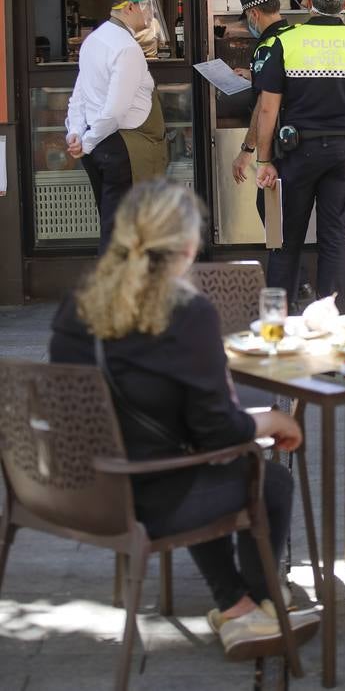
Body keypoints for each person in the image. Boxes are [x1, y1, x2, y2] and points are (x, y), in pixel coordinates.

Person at [49, 179, 319, 659]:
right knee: (269, 482)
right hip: (143, 496)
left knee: (200, 464)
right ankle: (260, 605)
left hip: (74, 488)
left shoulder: (76, 306)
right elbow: (219, 430)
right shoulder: (186, 312)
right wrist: (271, 423)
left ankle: (234, 605)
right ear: (190, 246)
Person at [254, 0, 345, 313]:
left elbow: (268, 110)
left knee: (286, 242)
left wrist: (264, 160)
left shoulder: (288, 40)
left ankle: (279, 325)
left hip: (297, 152)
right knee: (333, 240)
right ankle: (332, 324)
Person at [65, 0, 168, 252]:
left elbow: (79, 95)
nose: (151, 12)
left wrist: (76, 133)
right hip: (122, 147)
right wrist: (85, 141)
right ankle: (114, 293)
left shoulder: (93, 40)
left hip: (99, 147)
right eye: (147, 5)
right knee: (122, 235)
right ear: (129, 7)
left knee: (113, 226)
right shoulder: (127, 48)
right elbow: (115, 109)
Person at [231, 0, 312, 304]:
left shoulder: (266, 44)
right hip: (303, 140)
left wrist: (248, 151)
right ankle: (299, 282)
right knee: (286, 217)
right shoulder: (293, 35)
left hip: (277, 146)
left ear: (253, 14)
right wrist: (252, 77)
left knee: (275, 217)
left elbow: (264, 107)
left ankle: (286, 293)